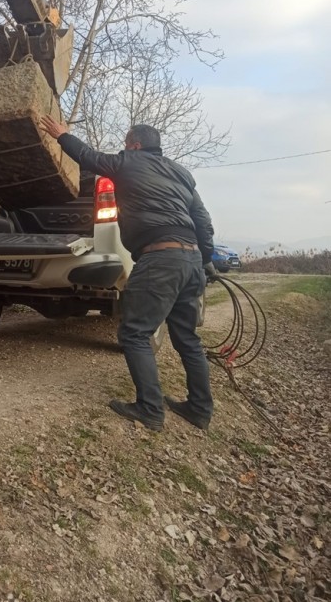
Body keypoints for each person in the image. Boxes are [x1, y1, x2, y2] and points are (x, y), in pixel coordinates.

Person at [40, 116, 216, 433]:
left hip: (159, 258)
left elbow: (89, 157)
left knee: (134, 333)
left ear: (134, 144)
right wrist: (206, 261)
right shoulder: (181, 173)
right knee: (188, 338)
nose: (124, 148)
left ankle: (150, 409)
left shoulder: (129, 162)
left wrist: (62, 135)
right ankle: (200, 409)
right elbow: (202, 220)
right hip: (190, 259)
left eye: (126, 143)